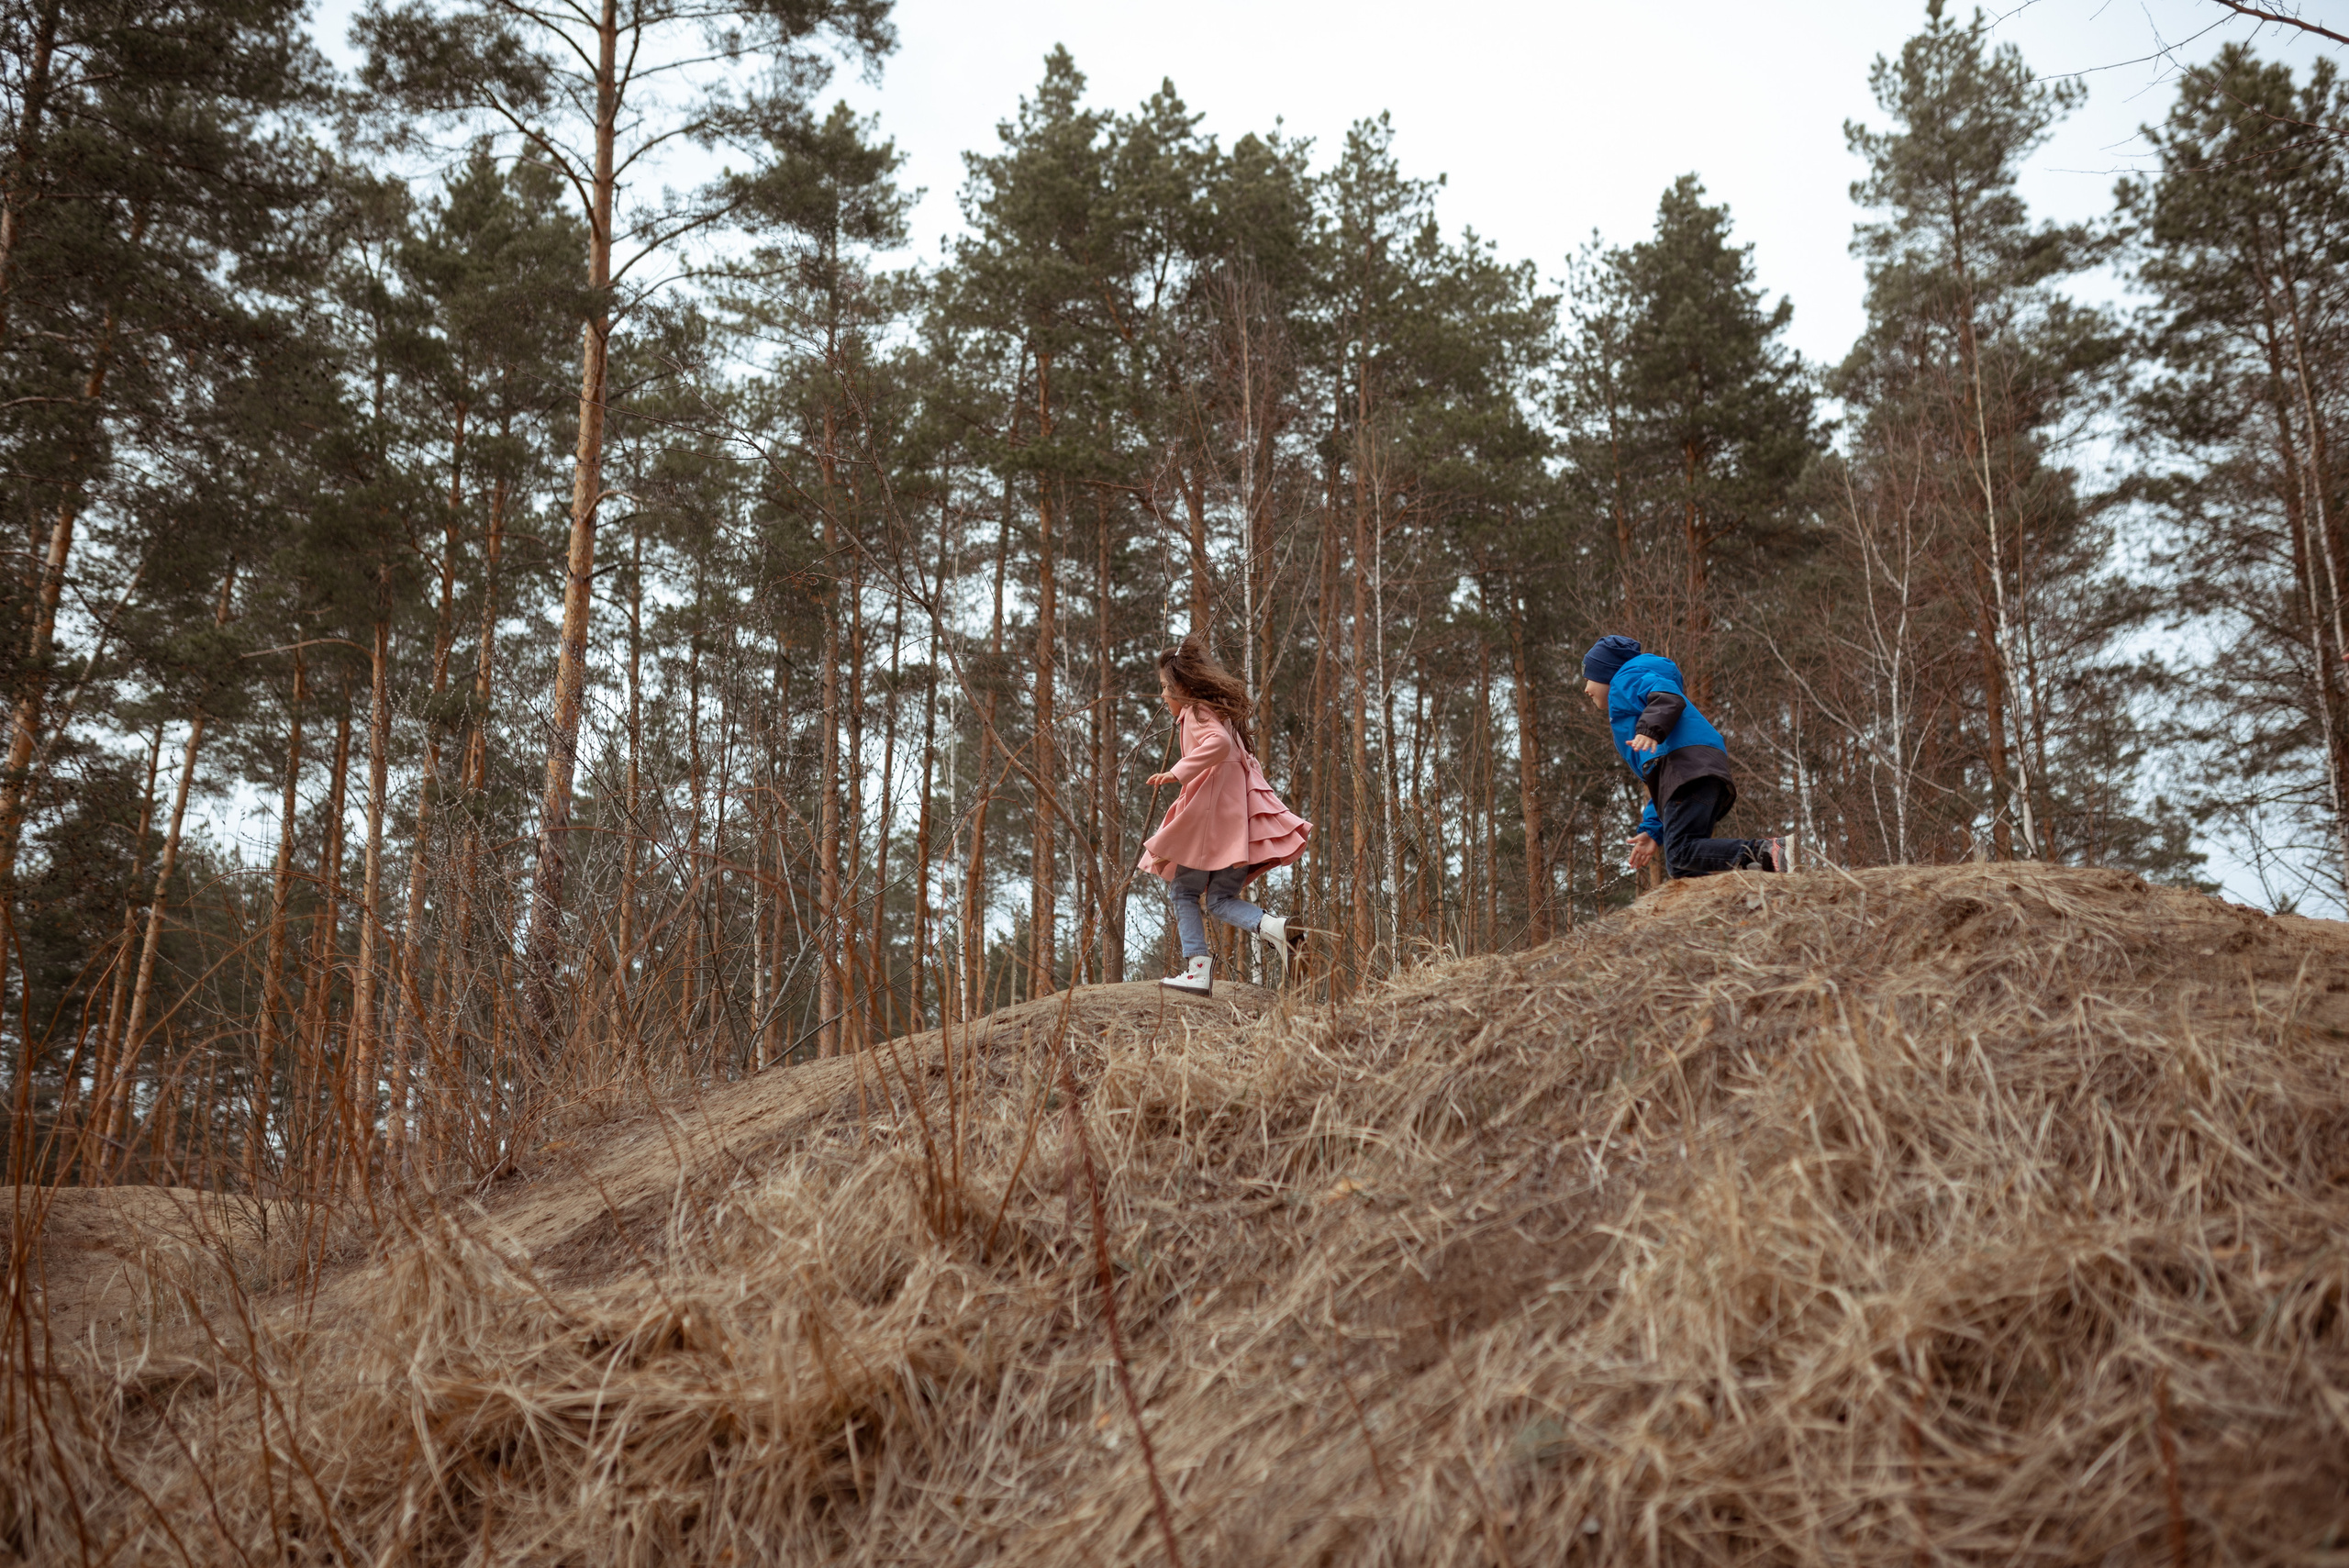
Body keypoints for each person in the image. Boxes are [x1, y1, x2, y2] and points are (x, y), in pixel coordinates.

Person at [1139, 638, 1313, 995]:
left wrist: (1176, 772)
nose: (1163, 696)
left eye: (1165, 688)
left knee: (1184, 892)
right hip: (1236, 827)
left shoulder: (1197, 713)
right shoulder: (1222, 715)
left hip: (1211, 825)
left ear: (1184, 689)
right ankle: (1275, 928)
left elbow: (1217, 744)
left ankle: (1197, 970)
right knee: (1220, 900)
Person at [1581, 634, 1789, 881]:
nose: (1586, 689)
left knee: (1680, 852)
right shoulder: (1630, 698)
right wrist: (1653, 830)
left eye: (1589, 678)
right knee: (1682, 866)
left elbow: (1667, 697)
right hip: (1694, 769)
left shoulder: (1625, 678)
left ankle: (1767, 852)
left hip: (1686, 767)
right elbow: (1663, 785)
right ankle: (1722, 898)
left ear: (1607, 673)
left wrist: (1650, 729)